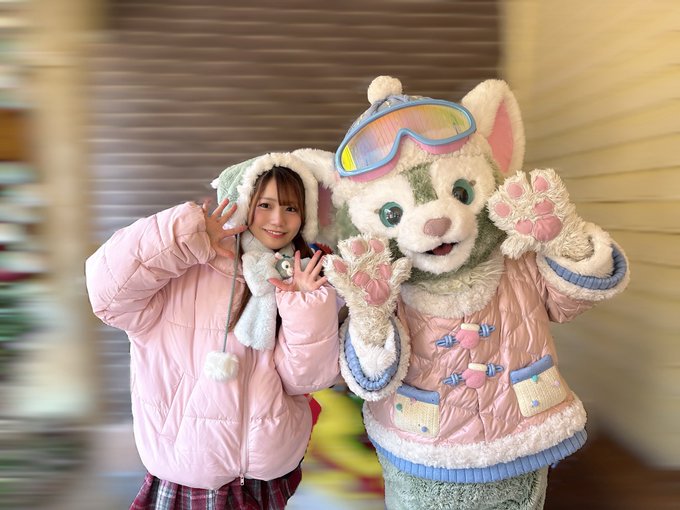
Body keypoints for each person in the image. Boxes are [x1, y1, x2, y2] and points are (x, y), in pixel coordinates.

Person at [85, 150, 341, 509]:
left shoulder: (299, 275)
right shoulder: (184, 269)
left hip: (266, 473)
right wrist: (183, 235)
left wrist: (303, 304)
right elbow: (105, 292)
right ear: (241, 202)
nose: (278, 220)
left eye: (291, 208)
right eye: (264, 205)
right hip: (188, 470)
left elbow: (306, 380)